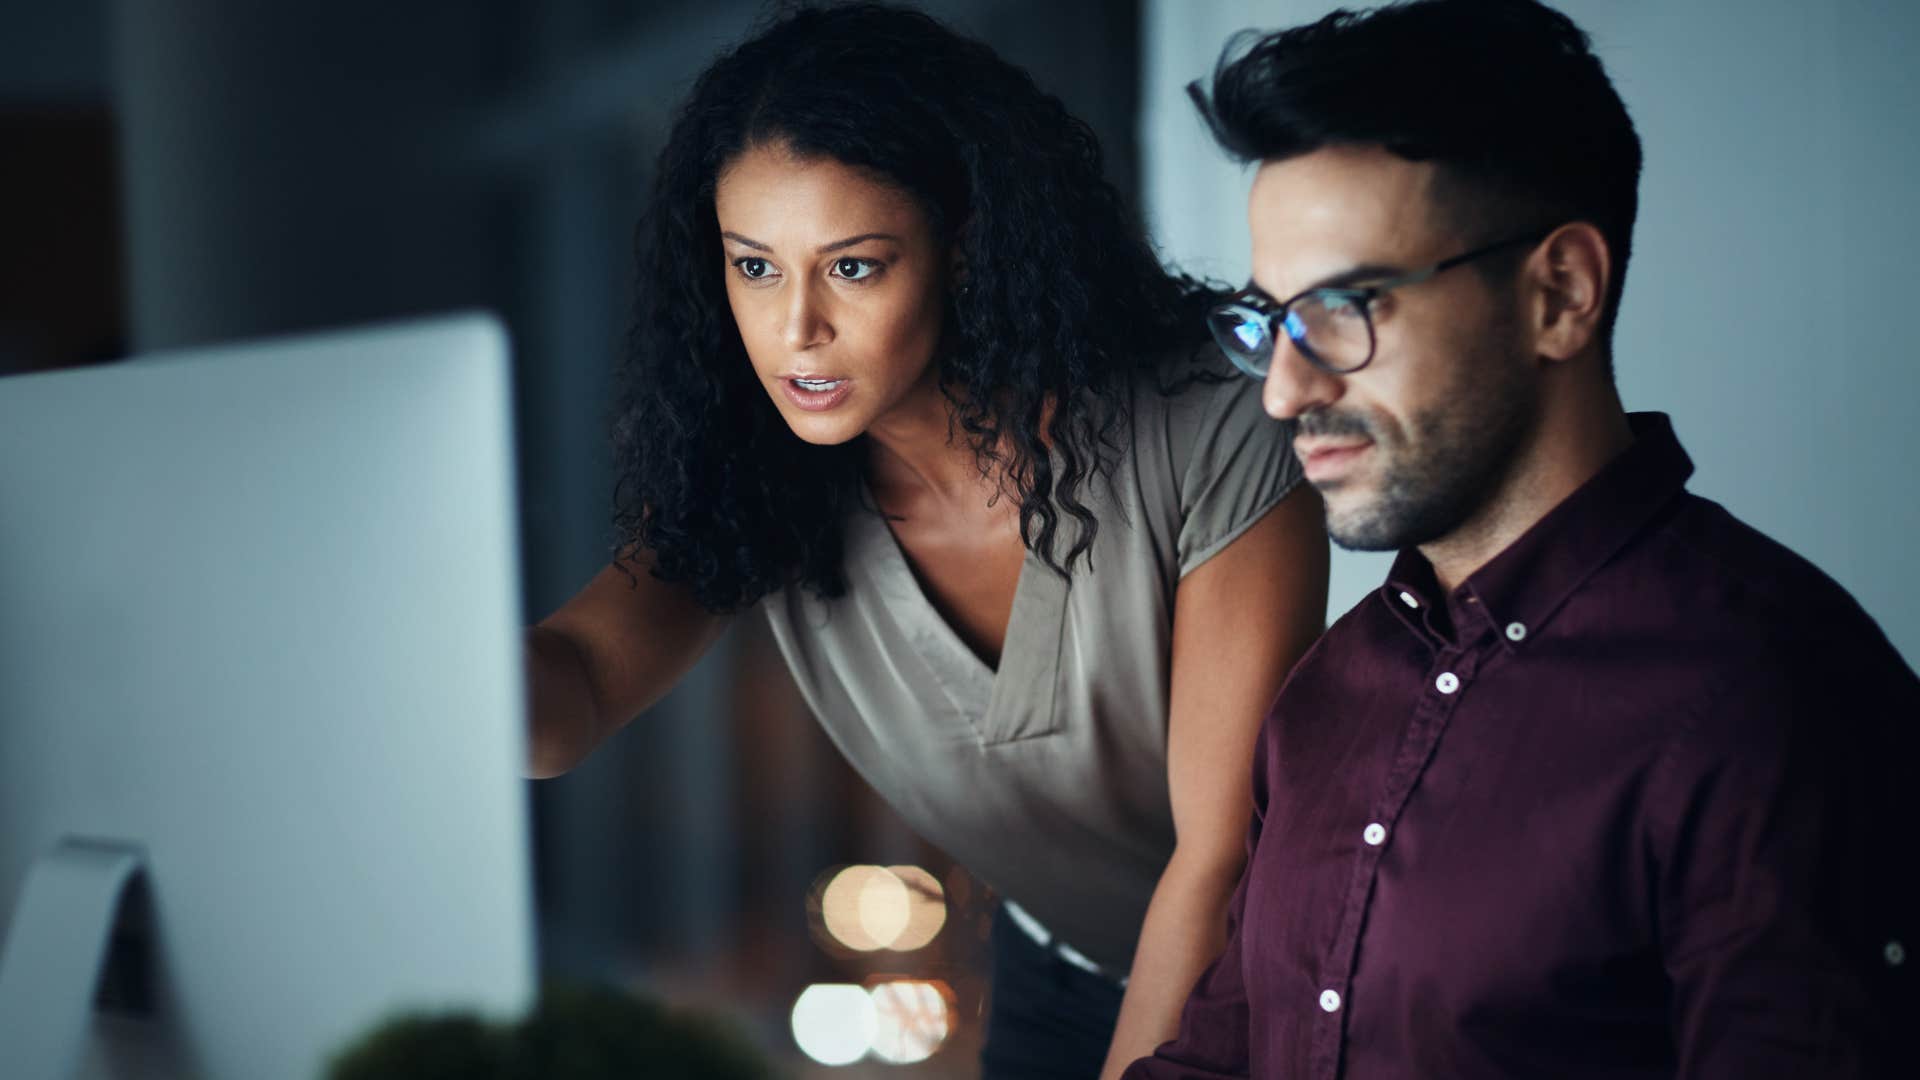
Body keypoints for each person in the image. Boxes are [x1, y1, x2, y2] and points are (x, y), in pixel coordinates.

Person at [524, 5, 1329, 1076]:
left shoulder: (1214, 434)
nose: (795, 327)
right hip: (1057, 978)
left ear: (966, 250)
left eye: (852, 267)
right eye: (754, 267)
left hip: (1275, 985)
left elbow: (1216, 863)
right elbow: (564, 699)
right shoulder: (758, 488)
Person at [1127, 1, 1920, 1077]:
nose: (1284, 390)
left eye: (1345, 307)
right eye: (1271, 321)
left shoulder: (1770, 691)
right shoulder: (1326, 696)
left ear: (1561, 293)